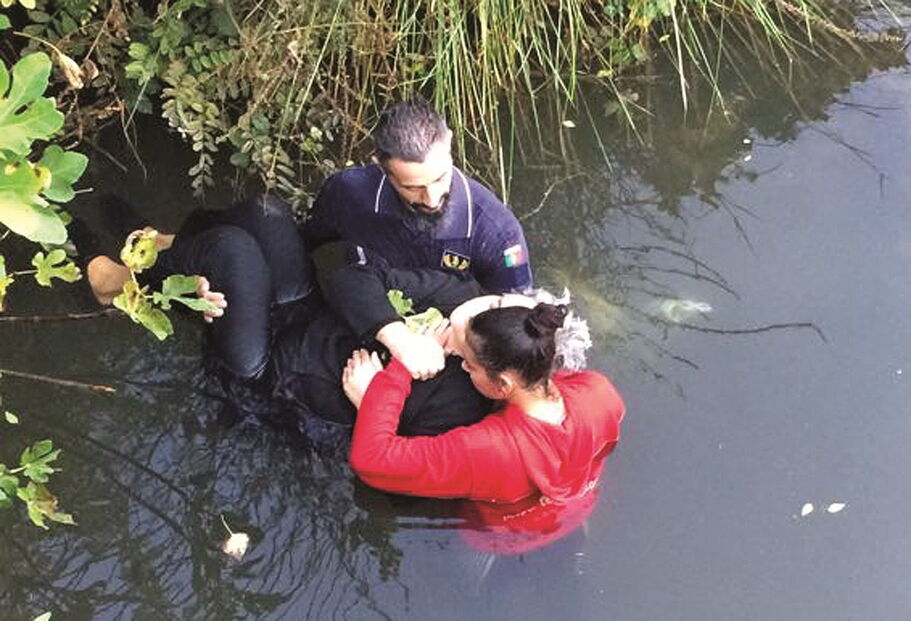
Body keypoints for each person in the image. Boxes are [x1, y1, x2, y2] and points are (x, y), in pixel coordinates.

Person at [75, 196, 504, 435]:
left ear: (483, 370)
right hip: (303, 312)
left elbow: (394, 471)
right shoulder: (464, 298)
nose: (447, 335)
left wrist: (375, 405)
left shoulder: (460, 410)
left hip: (271, 371)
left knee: (230, 248)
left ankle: (108, 282)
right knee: (268, 213)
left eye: (459, 347)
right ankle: (159, 245)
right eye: (459, 322)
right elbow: (350, 279)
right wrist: (396, 335)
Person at [344, 300, 626, 503]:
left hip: (501, 541)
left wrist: (395, 376)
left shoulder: (486, 449)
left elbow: (371, 460)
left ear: (503, 383)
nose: (463, 368)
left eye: (469, 364)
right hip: (577, 511)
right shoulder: (598, 391)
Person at [303, 98, 533, 294]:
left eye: (440, 178)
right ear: (382, 167)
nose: (432, 199)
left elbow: (515, 317)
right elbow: (317, 249)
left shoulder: (500, 235)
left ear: (450, 142)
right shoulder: (346, 193)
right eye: (413, 188)